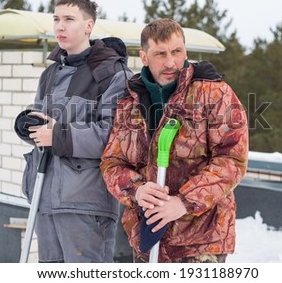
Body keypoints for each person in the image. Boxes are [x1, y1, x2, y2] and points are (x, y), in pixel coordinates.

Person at [100, 18, 248, 263]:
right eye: (160, 54)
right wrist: (137, 190)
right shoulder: (130, 102)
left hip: (201, 240)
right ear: (144, 57)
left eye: (177, 51)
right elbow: (112, 163)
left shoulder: (214, 93)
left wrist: (183, 202)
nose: (170, 62)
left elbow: (232, 160)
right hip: (148, 237)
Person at [14, 0, 132, 262]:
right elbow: (44, 127)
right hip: (45, 195)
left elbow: (114, 137)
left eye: (69, 19)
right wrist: (29, 126)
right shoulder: (50, 73)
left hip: (85, 201)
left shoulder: (113, 74)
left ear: (89, 26)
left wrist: (57, 135)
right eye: (56, 19)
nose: (60, 27)